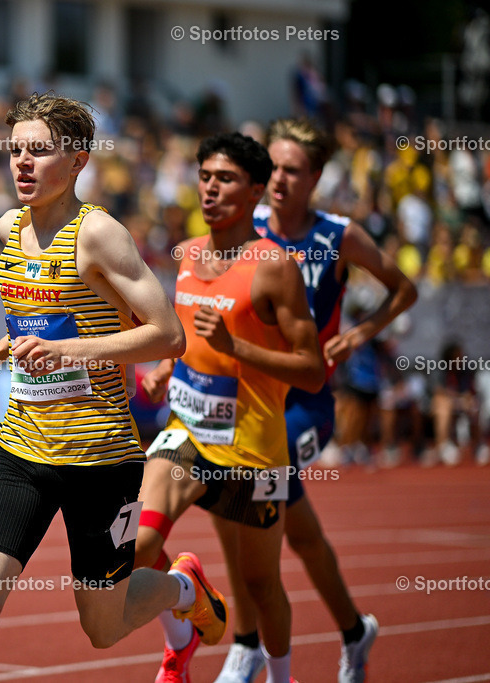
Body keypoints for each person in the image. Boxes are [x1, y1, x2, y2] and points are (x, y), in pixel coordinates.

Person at [0, 92, 224, 683]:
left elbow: (168, 335)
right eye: (15, 150)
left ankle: (180, 586)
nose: (22, 162)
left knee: (103, 626)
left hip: (101, 458)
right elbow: (37, 324)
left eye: (39, 152)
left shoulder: (98, 235)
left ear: (77, 161)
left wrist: (71, 350)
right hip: (23, 451)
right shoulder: (8, 228)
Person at [211, 118, 416, 683]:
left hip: (305, 403)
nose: (279, 179)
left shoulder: (337, 236)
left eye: (293, 170)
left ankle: (249, 644)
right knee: (298, 533)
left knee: (246, 494)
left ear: (316, 177)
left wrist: (362, 331)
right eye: (272, 167)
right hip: (247, 399)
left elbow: (405, 288)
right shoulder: (242, 227)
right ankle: (354, 630)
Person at [137, 132, 327, 683]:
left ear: (256, 192)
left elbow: (312, 370)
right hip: (187, 434)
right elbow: (194, 342)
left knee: (262, 584)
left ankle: (282, 677)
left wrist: (236, 347)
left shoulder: (275, 267)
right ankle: (187, 610)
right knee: (134, 545)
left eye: (226, 179)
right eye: (205, 177)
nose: (210, 189)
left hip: (253, 451)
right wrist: (166, 369)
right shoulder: (191, 254)